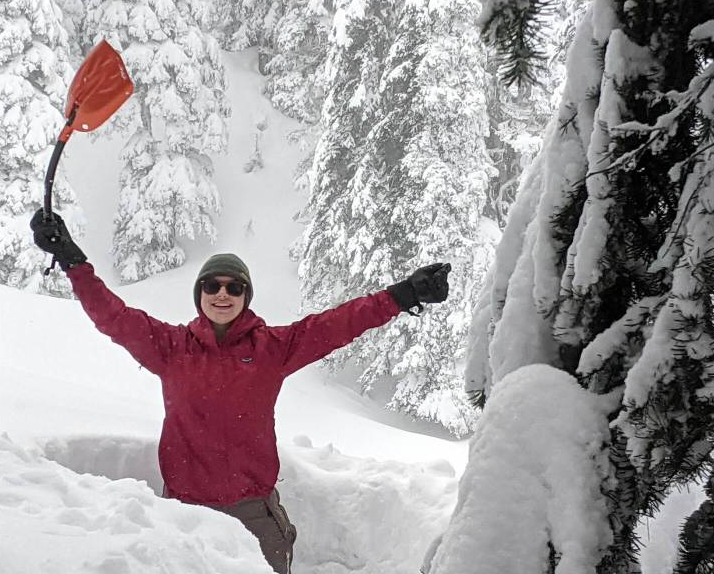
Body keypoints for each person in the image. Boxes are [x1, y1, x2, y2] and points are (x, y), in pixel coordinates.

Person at [30, 209, 451, 573]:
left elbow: (341, 323)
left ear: (246, 296)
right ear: (200, 295)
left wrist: (403, 294)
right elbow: (111, 314)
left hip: (255, 517)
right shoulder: (171, 347)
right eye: (212, 286)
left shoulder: (273, 348)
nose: (222, 294)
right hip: (185, 516)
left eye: (234, 287)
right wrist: (72, 259)